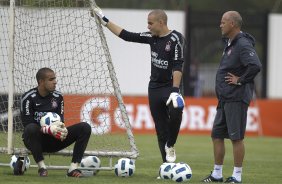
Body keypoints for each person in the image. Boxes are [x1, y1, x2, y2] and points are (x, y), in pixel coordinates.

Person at [92, 7, 186, 164]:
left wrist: (175, 91)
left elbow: (178, 66)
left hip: (171, 87)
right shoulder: (151, 37)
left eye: (150, 23)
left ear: (161, 22)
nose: (148, 27)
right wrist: (105, 20)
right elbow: (126, 35)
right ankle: (167, 167)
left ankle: (170, 144)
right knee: (161, 129)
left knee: (176, 112)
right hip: (155, 88)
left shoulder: (176, 39)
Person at [201, 11, 261, 183]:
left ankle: (236, 176)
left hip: (236, 97)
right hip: (225, 98)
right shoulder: (230, 43)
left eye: (223, 22)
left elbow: (255, 65)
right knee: (216, 135)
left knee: (236, 137)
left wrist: (240, 80)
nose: (220, 25)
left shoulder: (242, 44)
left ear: (233, 24)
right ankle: (217, 174)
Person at [20, 67, 91, 177]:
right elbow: (27, 125)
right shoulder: (28, 98)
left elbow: (61, 120)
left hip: (55, 139)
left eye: (55, 78)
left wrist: (61, 129)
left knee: (85, 127)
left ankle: (73, 169)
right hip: (35, 141)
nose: (55, 82)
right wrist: (48, 129)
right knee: (30, 128)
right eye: (51, 79)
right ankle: (42, 168)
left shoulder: (58, 97)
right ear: (41, 81)